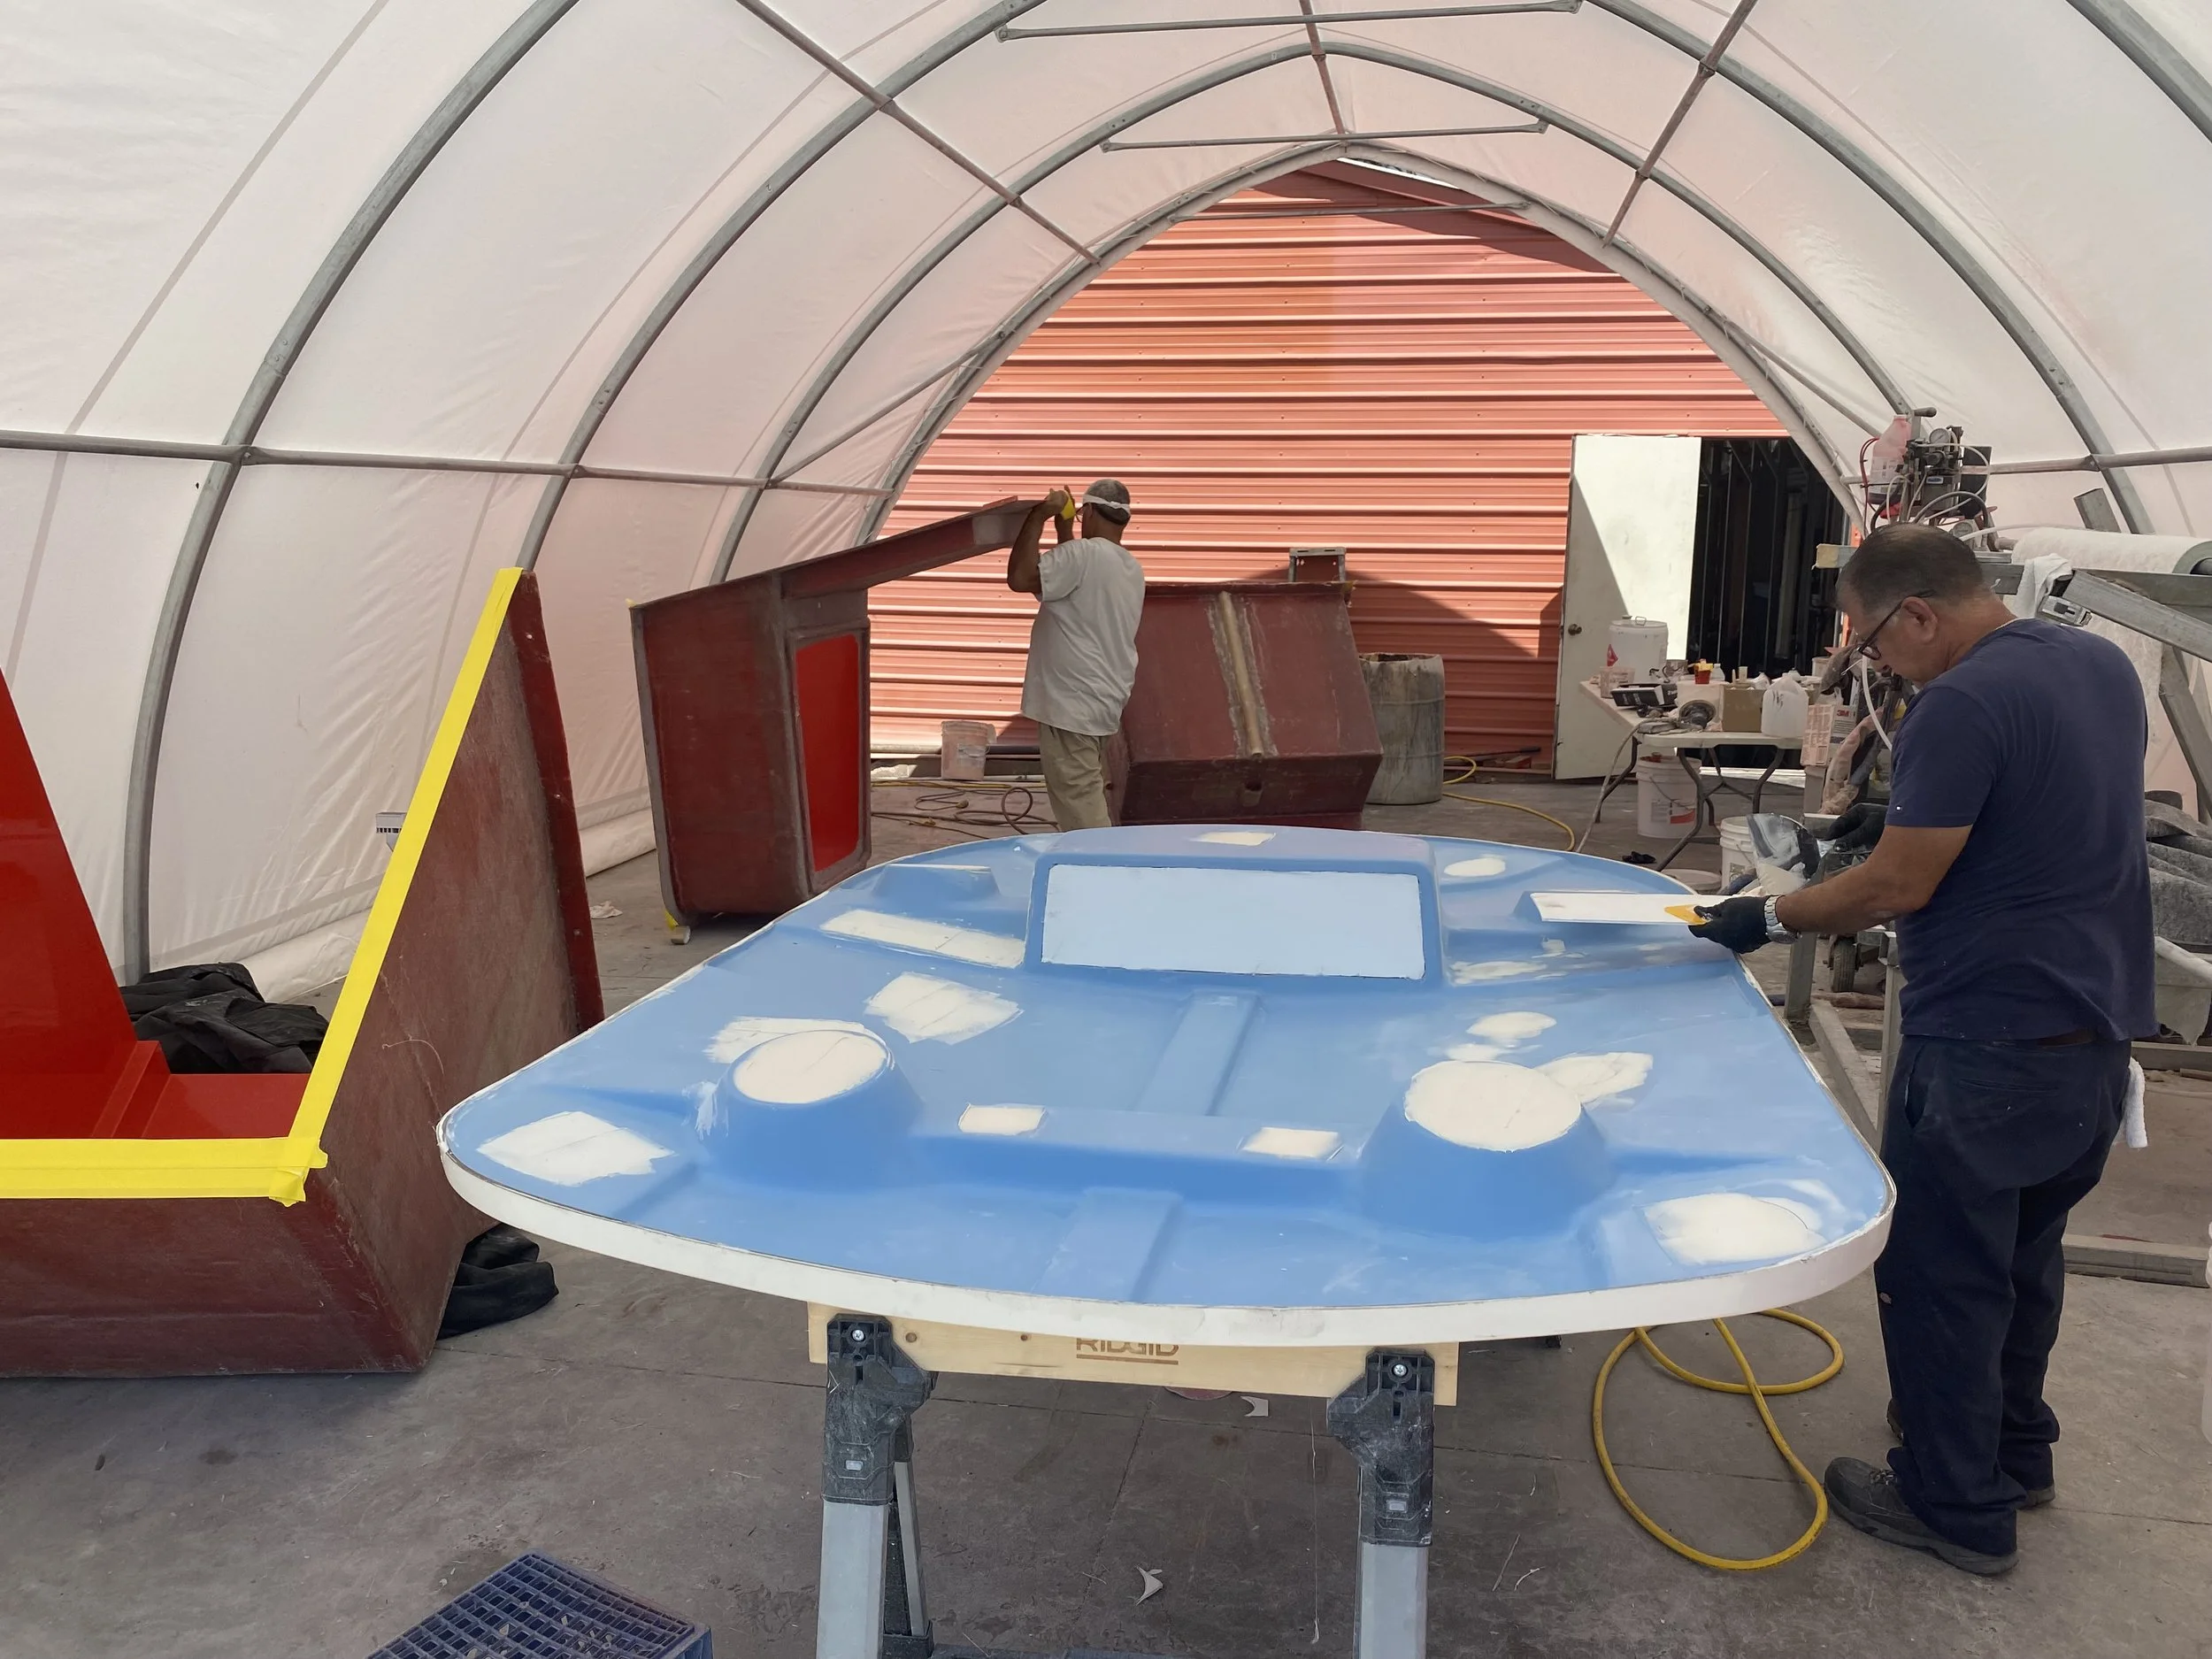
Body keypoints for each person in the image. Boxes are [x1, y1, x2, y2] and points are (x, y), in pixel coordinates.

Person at [1690, 522, 2153, 1577]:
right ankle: (2013, 1452)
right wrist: (1889, 818)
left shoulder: (1961, 702)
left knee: (1943, 1274)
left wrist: (1771, 916)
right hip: (2091, 1028)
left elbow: (1900, 885)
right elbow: (2036, 810)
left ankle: (1955, 1505)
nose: (1876, 668)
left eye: (1872, 645)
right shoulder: (2093, 663)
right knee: (2023, 1260)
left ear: (1918, 615)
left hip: (1987, 1040)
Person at [1006, 480, 1145, 831]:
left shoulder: (1083, 556)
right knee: (1086, 791)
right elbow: (1067, 577)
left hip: (1071, 704)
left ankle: (1099, 871)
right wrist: (1065, 527)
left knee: (1082, 808)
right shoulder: (1128, 566)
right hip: (1100, 700)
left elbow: (1021, 578)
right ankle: (1099, 863)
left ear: (1091, 512)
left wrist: (1038, 517)